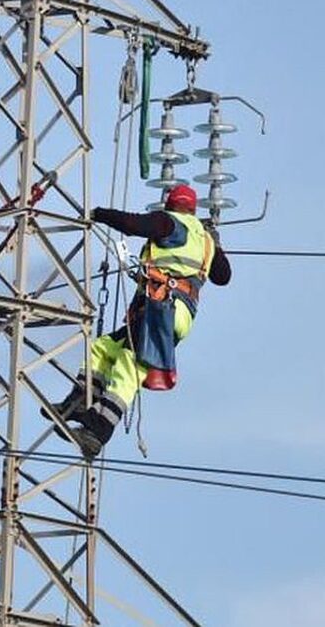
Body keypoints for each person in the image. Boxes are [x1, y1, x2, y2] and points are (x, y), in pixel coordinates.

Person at [45, 184, 232, 458]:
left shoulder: (169, 222)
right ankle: (79, 402)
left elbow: (132, 224)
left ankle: (98, 431)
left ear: (169, 205)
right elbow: (223, 276)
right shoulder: (204, 239)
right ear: (194, 209)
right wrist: (216, 245)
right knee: (104, 348)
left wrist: (98, 213)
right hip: (174, 312)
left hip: (163, 307)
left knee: (130, 364)